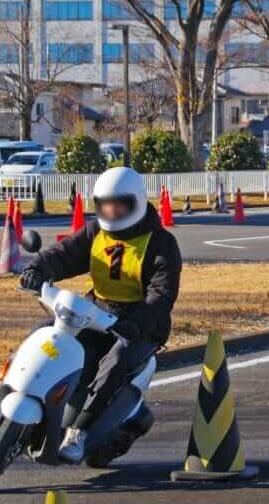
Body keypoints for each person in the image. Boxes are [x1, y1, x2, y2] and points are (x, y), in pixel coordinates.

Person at [19, 166, 182, 462]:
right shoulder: (96, 231)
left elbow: (161, 295)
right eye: (105, 205)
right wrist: (37, 269)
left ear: (137, 201)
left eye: (120, 205)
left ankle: (79, 431)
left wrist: (137, 323)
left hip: (140, 325)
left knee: (116, 359)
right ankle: (16, 394)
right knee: (45, 335)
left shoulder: (161, 243)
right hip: (97, 312)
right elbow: (66, 253)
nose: (112, 211)